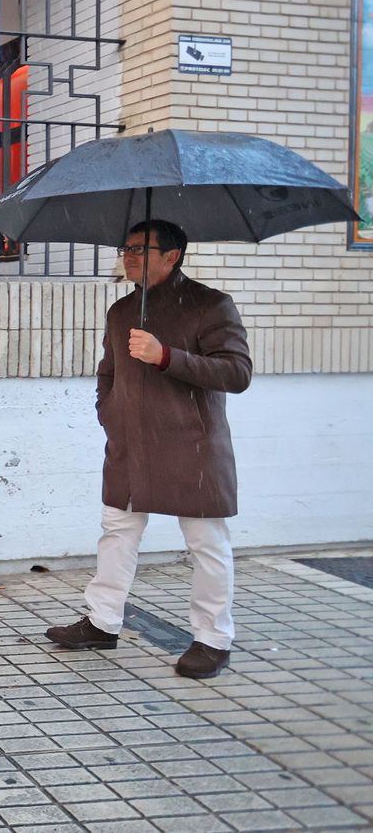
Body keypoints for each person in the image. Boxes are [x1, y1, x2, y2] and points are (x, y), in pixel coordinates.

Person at [46, 219, 252, 680]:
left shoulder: (211, 305)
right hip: (130, 443)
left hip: (192, 445)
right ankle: (102, 622)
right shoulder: (122, 311)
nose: (130, 256)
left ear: (173, 256)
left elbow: (237, 373)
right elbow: (108, 371)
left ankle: (213, 639)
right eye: (127, 247)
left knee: (206, 544)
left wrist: (165, 356)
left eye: (141, 249)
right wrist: (110, 412)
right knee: (116, 530)